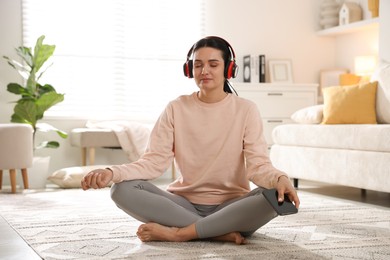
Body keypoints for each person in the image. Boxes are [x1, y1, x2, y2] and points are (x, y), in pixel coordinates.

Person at [81, 36, 300, 245]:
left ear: (228, 69)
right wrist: (112, 173)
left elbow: (258, 166)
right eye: (197, 65)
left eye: (213, 64)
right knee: (120, 189)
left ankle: (180, 233)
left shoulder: (246, 109)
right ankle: (214, 232)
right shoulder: (176, 108)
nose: (204, 71)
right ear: (189, 70)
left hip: (232, 206)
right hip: (182, 204)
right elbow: (153, 162)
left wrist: (279, 178)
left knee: (277, 197)